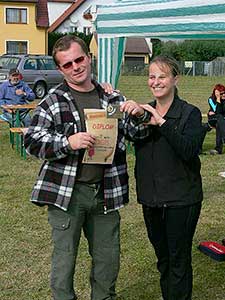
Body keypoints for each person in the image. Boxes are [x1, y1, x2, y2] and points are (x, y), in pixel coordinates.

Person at [24, 35, 129, 300]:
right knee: (64, 262)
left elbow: (131, 132)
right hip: (67, 194)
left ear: (89, 58)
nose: (76, 67)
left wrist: (137, 113)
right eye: (67, 64)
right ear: (60, 69)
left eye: (79, 59)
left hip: (106, 192)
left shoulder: (110, 98)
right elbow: (32, 141)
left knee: (108, 262)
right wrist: (67, 142)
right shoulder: (52, 101)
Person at [121, 55, 204, 300]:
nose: (156, 82)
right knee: (164, 258)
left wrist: (162, 123)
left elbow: (189, 150)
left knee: (178, 260)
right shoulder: (143, 114)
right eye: (152, 76)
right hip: (152, 199)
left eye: (162, 76)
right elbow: (123, 135)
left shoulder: (189, 113)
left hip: (182, 200)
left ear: (175, 79)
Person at [207, 83, 225, 155]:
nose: (224, 95)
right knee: (219, 117)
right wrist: (218, 99)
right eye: (221, 93)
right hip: (213, 119)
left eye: (224, 93)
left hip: (221, 121)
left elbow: (217, 112)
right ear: (216, 94)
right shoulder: (211, 99)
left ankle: (218, 149)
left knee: (219, 123)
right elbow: (217, 111)